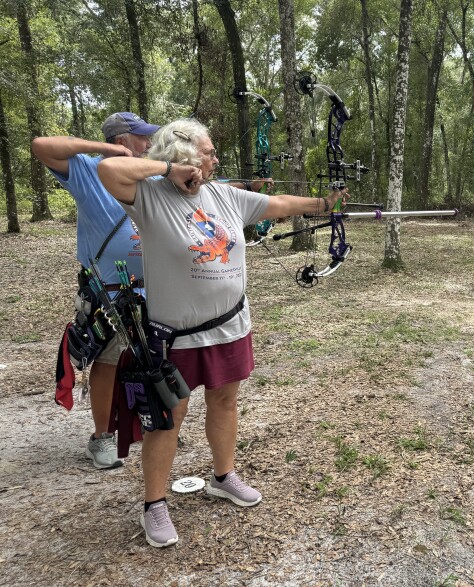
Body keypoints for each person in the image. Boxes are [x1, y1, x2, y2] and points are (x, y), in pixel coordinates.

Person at [96, 118, 346, 548]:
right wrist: (165, 170)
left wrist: (323, 204)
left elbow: (278, 203)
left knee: (226, 401)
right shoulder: (150, 197)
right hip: (174, 336)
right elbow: (107, 170)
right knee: (168, 418)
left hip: (231, 326)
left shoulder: (225, 195)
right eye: (208, 152)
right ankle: (154, 504)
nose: (215, 159)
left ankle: (224, 475)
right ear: (184, 157)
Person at [32, 112, 160, 469]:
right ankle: (102, 437)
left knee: (152, 360)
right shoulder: (88, 170)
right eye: (141, 137)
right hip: (110, 293)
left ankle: (152, 425)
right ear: (122, 140)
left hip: (152, 289)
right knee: (107, 363)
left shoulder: (147, 173)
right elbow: (41, 146)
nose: (148, 144)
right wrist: (107, 150)